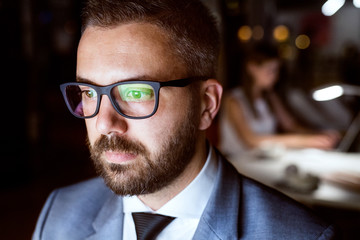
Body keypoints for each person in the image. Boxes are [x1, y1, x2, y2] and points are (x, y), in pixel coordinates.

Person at [33, 1, 337, 239]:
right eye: (88, 92)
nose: (104, 123)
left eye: (136, 93)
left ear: (206, 104)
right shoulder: (58, 214)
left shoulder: (302, 235)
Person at [219, 43, 340, 157]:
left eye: (277, 71)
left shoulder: (270, 96)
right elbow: (251, 141)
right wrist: (305, 141)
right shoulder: (233, 100)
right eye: (271, 70)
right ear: (252, 68)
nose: (275, 77)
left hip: (261, 161)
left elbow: (290, 125)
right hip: (237, 162)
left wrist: (318, 135)